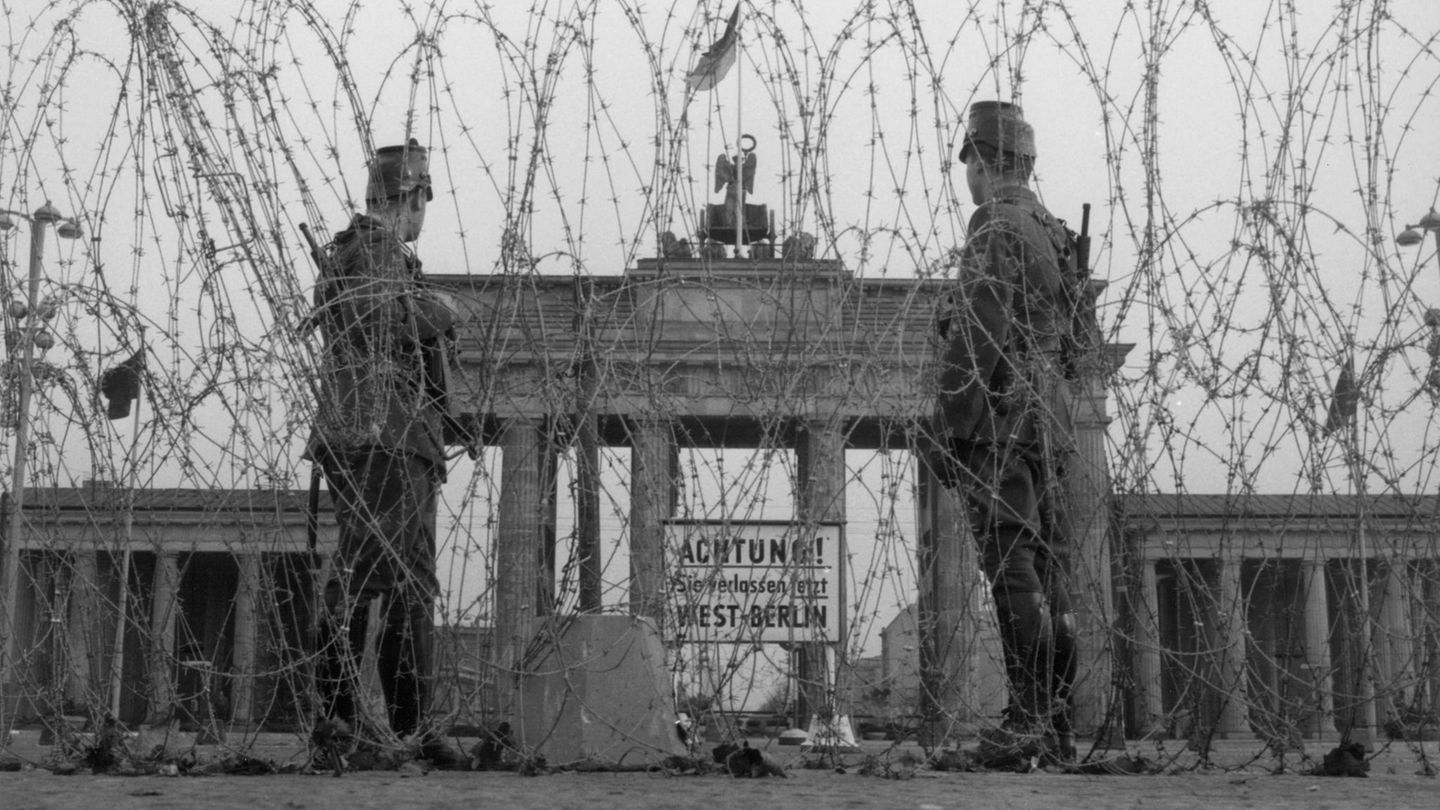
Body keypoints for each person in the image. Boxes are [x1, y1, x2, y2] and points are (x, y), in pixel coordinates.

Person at [930, 101, 1085, 762]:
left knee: (1009, 564)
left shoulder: (996, 222)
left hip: (1003, 413)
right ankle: (1053, 724)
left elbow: (981, 330)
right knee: (1049, 571)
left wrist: (947, 425)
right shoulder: (1054, 234)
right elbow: (1077, 348)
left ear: (984, 162)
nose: (968, 181)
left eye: (970, 166)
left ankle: (1024, 719)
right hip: (1052, 416)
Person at [306, 138, 465, 769]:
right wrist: (439, 311)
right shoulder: (372, 250)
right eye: (423, 197)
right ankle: (362, 723)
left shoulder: (371, 252)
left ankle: (380, 724)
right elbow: (378, 317)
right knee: (385, 576)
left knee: (391, 580)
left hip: (389, 433)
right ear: (412, 197)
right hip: (383, 435)